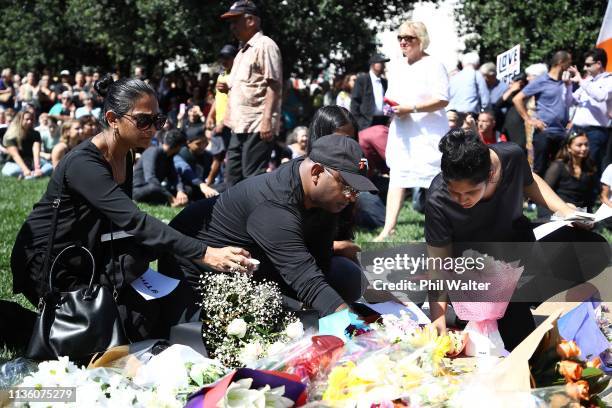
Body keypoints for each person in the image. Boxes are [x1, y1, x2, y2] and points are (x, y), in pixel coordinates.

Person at [10, 76, 253, 341]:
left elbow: (120, 223)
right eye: (143, 120)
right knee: (97, 335)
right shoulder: (83, 164)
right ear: (113, 119)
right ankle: (19, 323)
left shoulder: (126, 152)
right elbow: (134, 221)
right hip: (52, 263)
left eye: (157, 120)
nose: (152, 129)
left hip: (90, 253)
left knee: (146, 319)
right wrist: (204, 253)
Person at [425, 128, 607, 350]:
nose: (462, 200)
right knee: (516, 343)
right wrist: (438, 317)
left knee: (592, 247)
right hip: (475, 272)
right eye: (455, 193)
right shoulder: (438, 198)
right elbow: (438, 263)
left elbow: (529, 181)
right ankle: (460, 313)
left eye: (470, 192)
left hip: (516, 253)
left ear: (490, 174)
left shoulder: (511, 155)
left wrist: (564, 210)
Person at [162, 135, 377, 317]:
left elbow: (320, 262)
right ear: (317, 172)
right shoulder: (274, 204)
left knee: (346, 276)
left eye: (357, 191)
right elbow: (304, 277)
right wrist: (352, 328)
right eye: (348, 187)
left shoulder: (323, 199)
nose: (351, 197)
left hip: (255, 264)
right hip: (193, 263)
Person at [375, 21, 449, 241]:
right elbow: (391, 96)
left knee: (436, 178)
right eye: (400, 38)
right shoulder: (396, 66)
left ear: (421, 40)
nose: (403, 42)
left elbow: (443, 99)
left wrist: (413, 108)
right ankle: (388, 228)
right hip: (403, 131)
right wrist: (392, 108)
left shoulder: (434, 64)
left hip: (429, 133)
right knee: (397, 176)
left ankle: (442, 227)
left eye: (408, 38)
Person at [221, 0, 283, 186]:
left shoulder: (265, 45)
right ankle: (230, 215)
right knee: (232, 177)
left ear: (251, 21)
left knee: (252, 178)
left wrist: (266, 120)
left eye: (235, 21)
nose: (232, 27)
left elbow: (274, 85)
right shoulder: (242, 51)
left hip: (257, 125)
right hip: (239, 125)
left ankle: (255, 215)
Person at [513, 51, 574, 176]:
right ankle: (535, 195)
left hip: (562, 133)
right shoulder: (542, 81)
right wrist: (530, 119)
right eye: (569, 63)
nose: (571, 67)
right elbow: (517, 99)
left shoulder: (566, 82)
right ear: (561, 63)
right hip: (545, 132)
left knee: (561, 170)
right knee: (540, 169)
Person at [567, 48, 612, 179]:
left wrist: (581, 80)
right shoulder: (588, 81)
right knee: (572, 162)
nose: (585, 68)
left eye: (588, 65)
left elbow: (600, 96)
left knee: (591, 165)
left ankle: (592, 197)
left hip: (595, 131)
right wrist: (568, 85)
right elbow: (571, 101)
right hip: (577, 129)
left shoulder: (609, 80)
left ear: (599, 64)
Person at [543, 131, 598, 215]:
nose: (584, 148)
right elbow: (545, 193)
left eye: (586, 145)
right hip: (559, 213)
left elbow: (590, 198)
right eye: (579, 145)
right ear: (568, 147)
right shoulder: (558, 166)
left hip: (581, 215)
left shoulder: (589, 168)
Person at [132, 129, 189, 207]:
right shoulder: (153, 151)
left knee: (188, 189)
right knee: (154, 188)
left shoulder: (168, 157)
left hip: (155, 189)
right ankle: (172, 202)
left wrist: (180, 191)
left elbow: (174, 177)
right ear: (178, 146)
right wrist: (170, 197)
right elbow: (151, 179)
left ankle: (175, 201)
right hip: (139, 190)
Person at [173, 125, 222, 200]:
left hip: (204, 186)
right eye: (198, 144)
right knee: (188, 190)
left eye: (205, 143)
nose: (202, 146)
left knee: (224, 187)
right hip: (187, 185)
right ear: (188, 143)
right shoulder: (181, 155)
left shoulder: (207, 155)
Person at [2, 111, 53, 178]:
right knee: (12, 171)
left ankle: (30, 175)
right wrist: (25, 170)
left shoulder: (36, 134)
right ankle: (32, 175)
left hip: (31, 162)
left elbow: (36, 152)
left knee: (51, 167)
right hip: (15, 163)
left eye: (31, 119)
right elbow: (15, 155)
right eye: (27, 119)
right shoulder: (11, 136)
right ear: (20, 120)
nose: (30, 121)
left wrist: (37, 168)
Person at [350, 54, 390, 131]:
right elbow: (355, 102)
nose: (383, 65)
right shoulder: (362, 80)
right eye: (380, 63)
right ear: (373, 64)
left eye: (383, 63)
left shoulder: (384, 82)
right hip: (366, 123)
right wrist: (358, 122)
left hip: (382, 122)